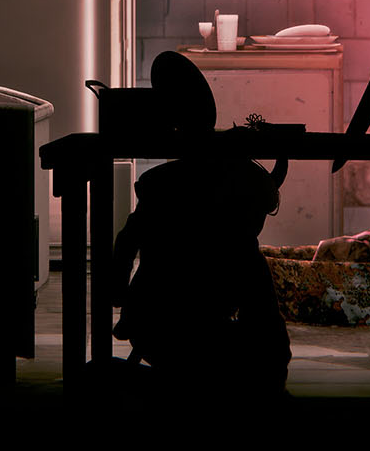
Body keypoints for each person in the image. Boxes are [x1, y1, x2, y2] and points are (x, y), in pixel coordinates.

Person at [107, 52, 292, 394]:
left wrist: (118, 293)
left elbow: (126, 241)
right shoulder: (242, 194)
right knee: (250, 267)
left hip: (155, 325)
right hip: (207, 321)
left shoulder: (159, 185)